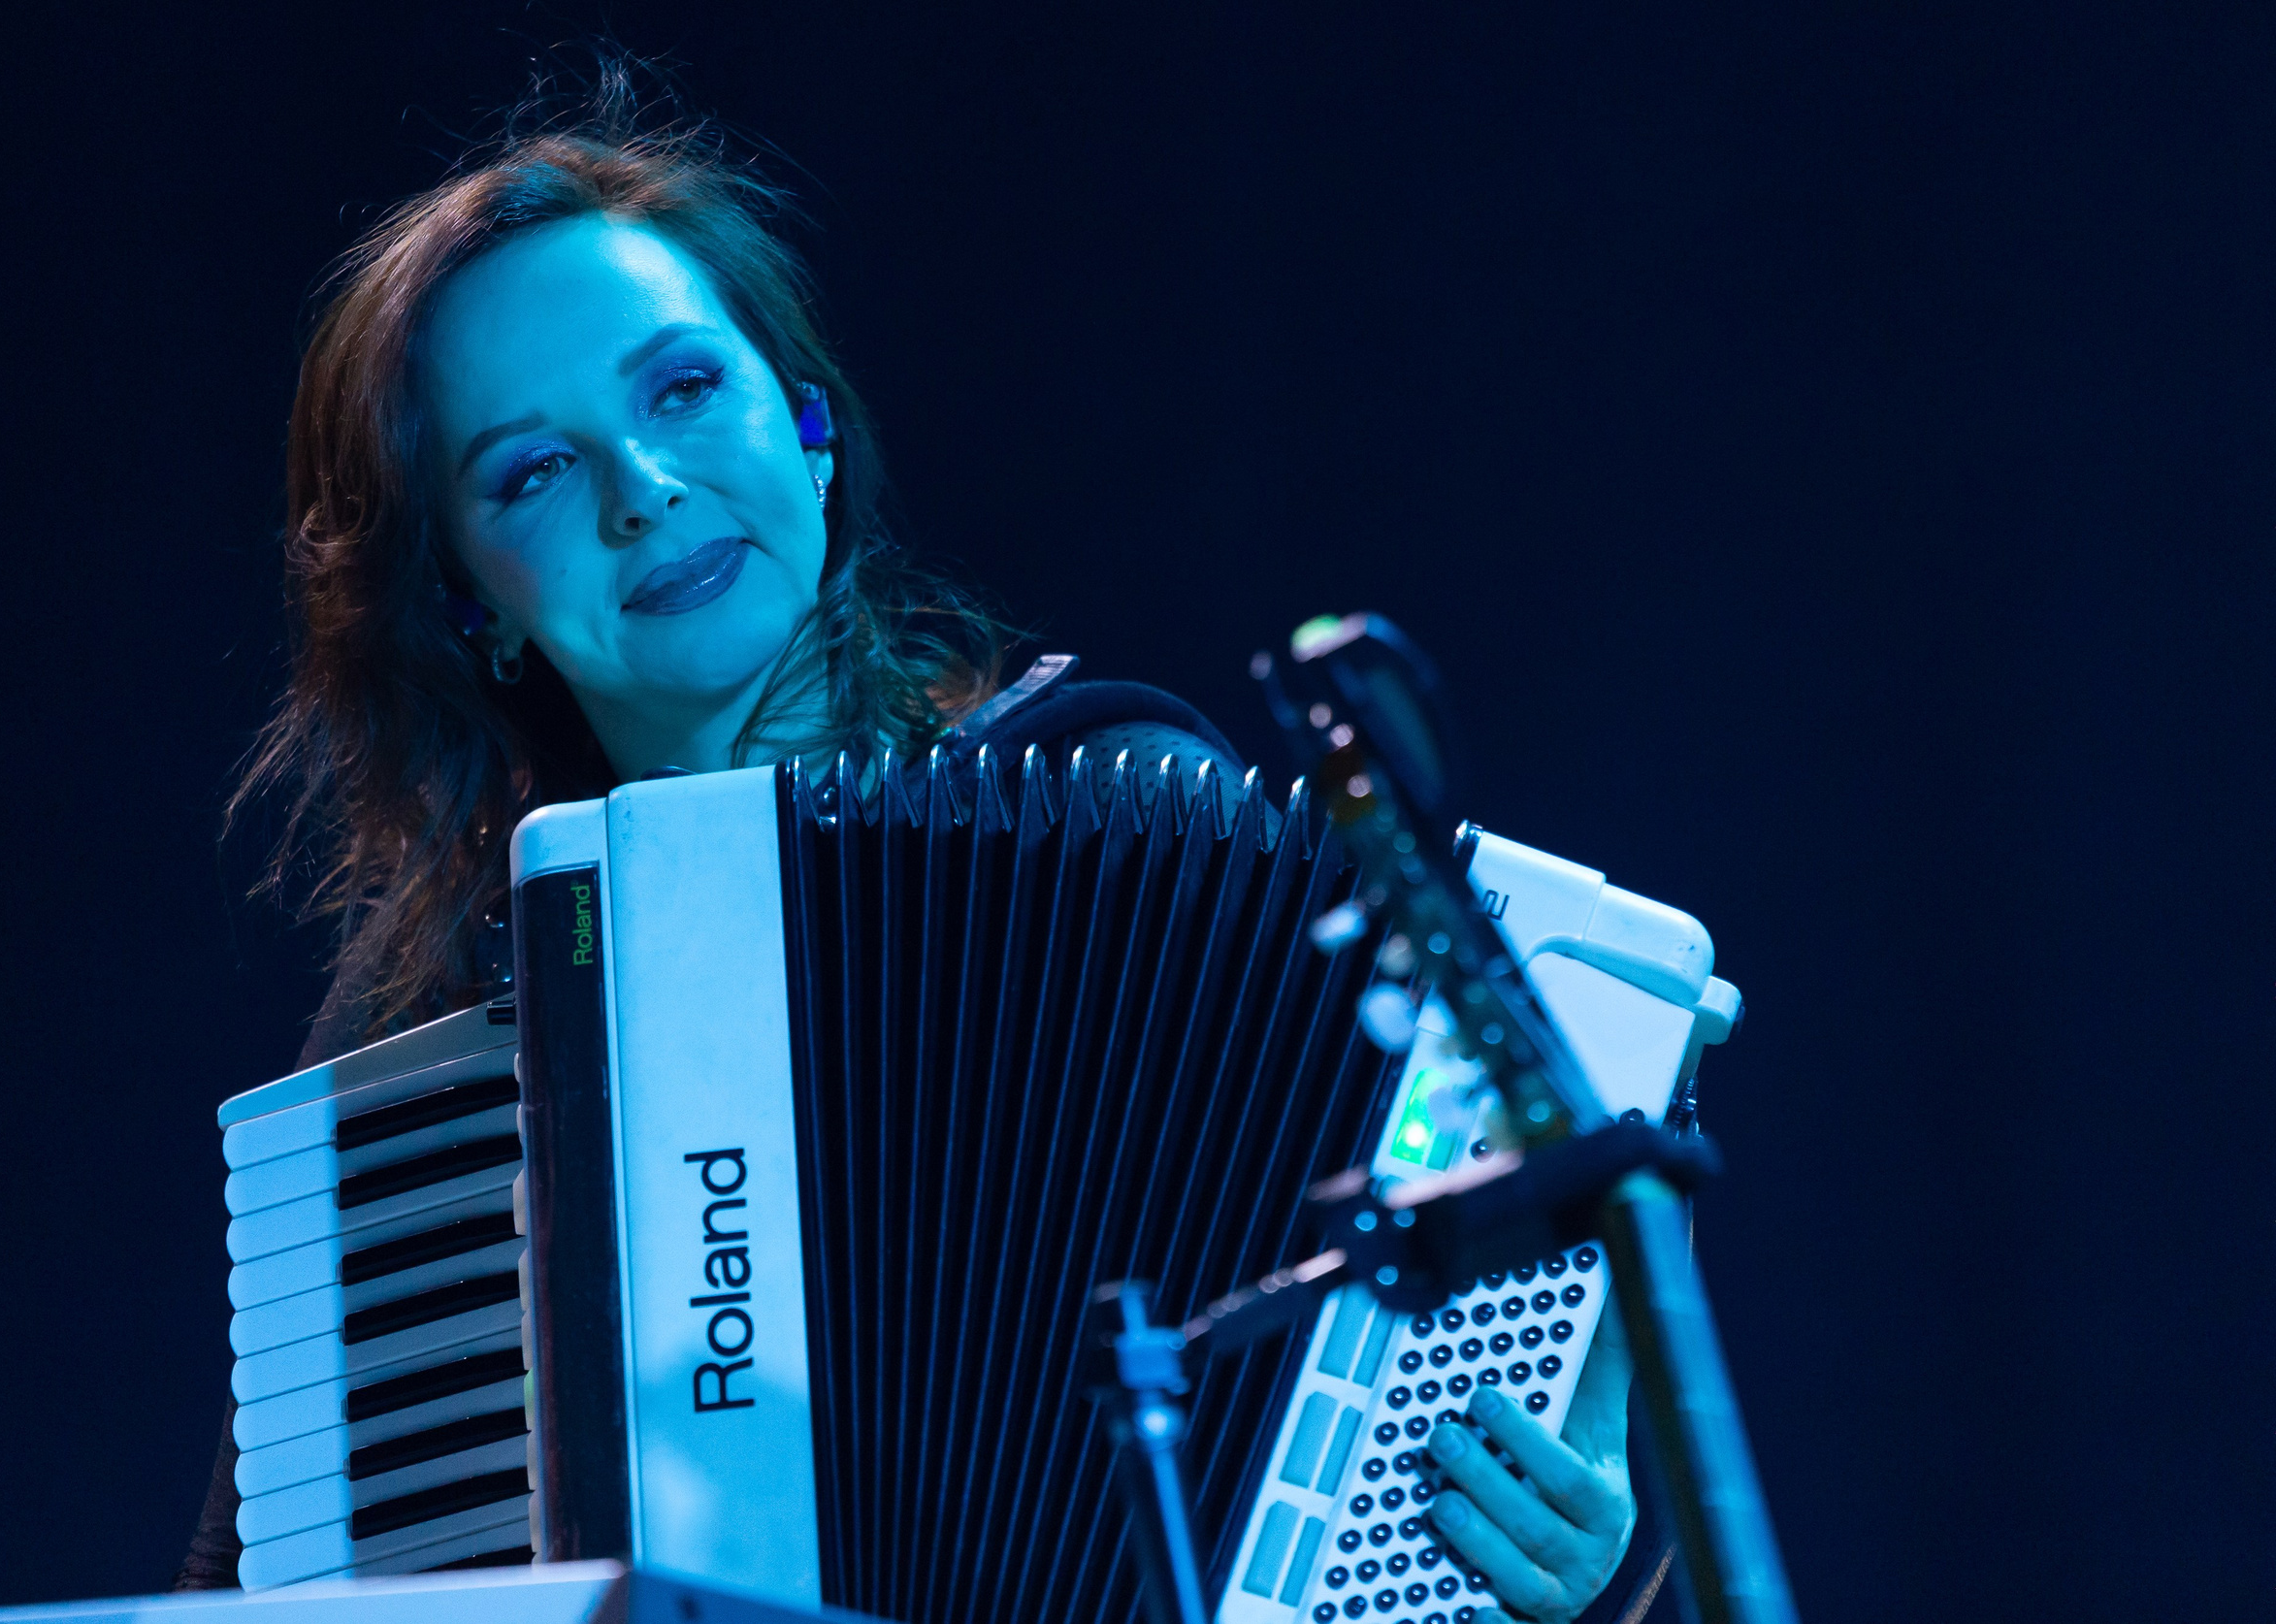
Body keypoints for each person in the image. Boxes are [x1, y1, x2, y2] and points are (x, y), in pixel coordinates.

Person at [183, 80, 1663, 1624]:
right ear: (468, 601)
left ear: (807, 425)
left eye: (683, 386)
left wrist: (1591, 1560)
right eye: (532, 472)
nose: (643, 489)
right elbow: (252, 1591)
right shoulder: (438, 1028)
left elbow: (1418, 1419)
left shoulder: (1123, 807)